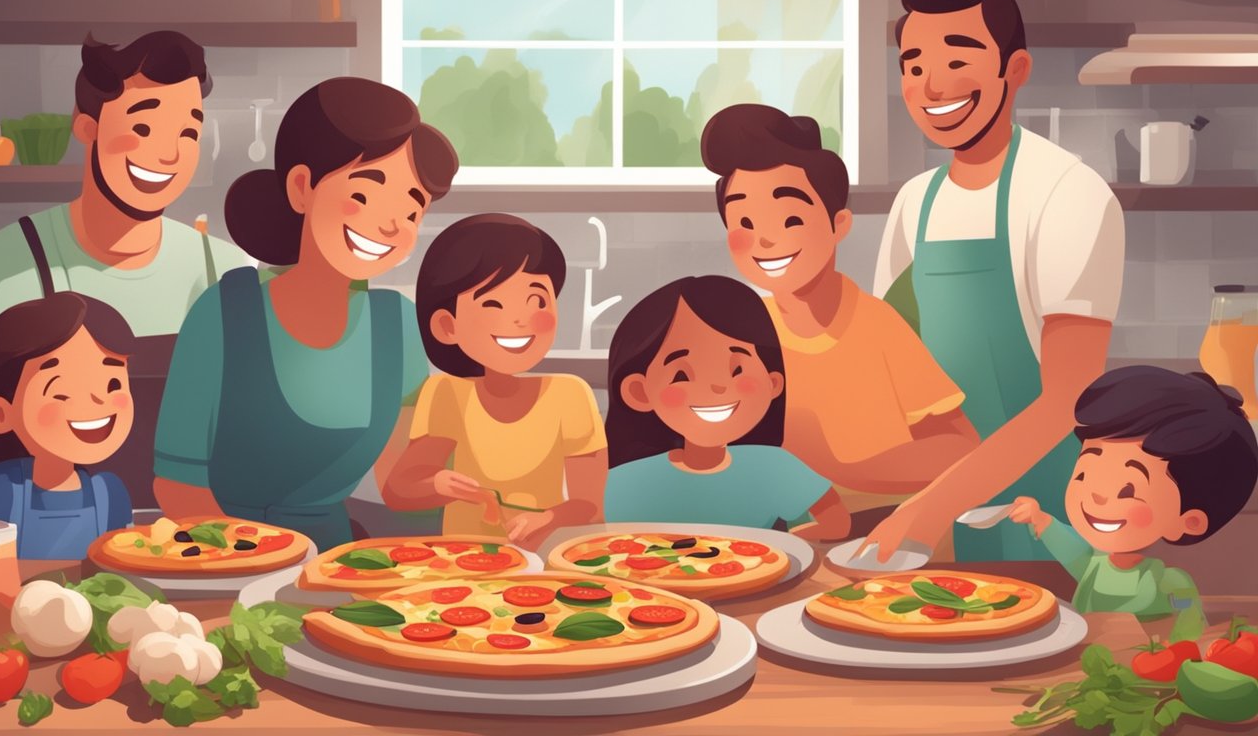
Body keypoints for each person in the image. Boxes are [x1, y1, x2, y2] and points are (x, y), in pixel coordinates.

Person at [0, 31, 246, 510]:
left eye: (188, 132)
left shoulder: (229, 273)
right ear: (86, 127)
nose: (169, 154)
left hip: (196, 541)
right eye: (142, 128)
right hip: (50, 541)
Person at [866, 0, 1125, 561]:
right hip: (937, 508)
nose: (931, 85)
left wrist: (929, 508)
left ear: (1016, 70)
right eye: (911, 65)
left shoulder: (1067, 192)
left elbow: (1069, 398)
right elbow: (893, 369)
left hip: (1044, 516)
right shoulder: (914, 202)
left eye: (958, 61)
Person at [152, 77, 458, 549]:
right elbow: (178, 484)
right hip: (219, 554)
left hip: (333, 564)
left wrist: (450, 482)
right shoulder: (224, 313)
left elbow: (398, 482)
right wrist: (246, 556)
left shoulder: (398, 328)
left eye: (412, 209)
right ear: (301, 188)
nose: (391, 223)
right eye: (363, 193)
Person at [700, 104, 978, 523]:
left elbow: (960, 449)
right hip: (772, 541)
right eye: (744, 220)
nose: (767, 239)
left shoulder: (876, 326)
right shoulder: (741, 335)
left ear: (839, 224)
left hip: (883, 539)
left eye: (790, 218)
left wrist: (836, 465)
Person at [382, 214, 607, 551]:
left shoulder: (570, 394)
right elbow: (399, 489)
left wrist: (548, 518)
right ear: (448, 325)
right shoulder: (448, 393)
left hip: (545, 558)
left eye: (537, 301)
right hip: (464, 562)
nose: (520, 318)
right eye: (493, 303)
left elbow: (589, 506)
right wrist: (439, 483)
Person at [1007, 367, 1258, 641]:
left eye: (1128, 489)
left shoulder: (1168, 583)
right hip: (1087, 662)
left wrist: (1181, 654)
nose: (1098, 496)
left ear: (1188, 521)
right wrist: (1040, 519)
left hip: (1146, 669)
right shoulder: (1092, 567)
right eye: (1084, 473)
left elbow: (1189, 624)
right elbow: (1070, 548)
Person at [603, 275, 850, 540]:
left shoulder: (773, 466)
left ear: (772, 381)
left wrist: (778, 547)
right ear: (638, 392)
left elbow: (836, 522)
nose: (717, 388)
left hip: (758, 575)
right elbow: (610, 543)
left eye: (737, 369)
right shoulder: (626, 481)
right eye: (682, 375)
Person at [0, 293, 136, 559]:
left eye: (113, 384)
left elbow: (122, 565)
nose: (97, 400)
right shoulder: (4, 487)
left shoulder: (109, 493)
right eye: (61, 391)